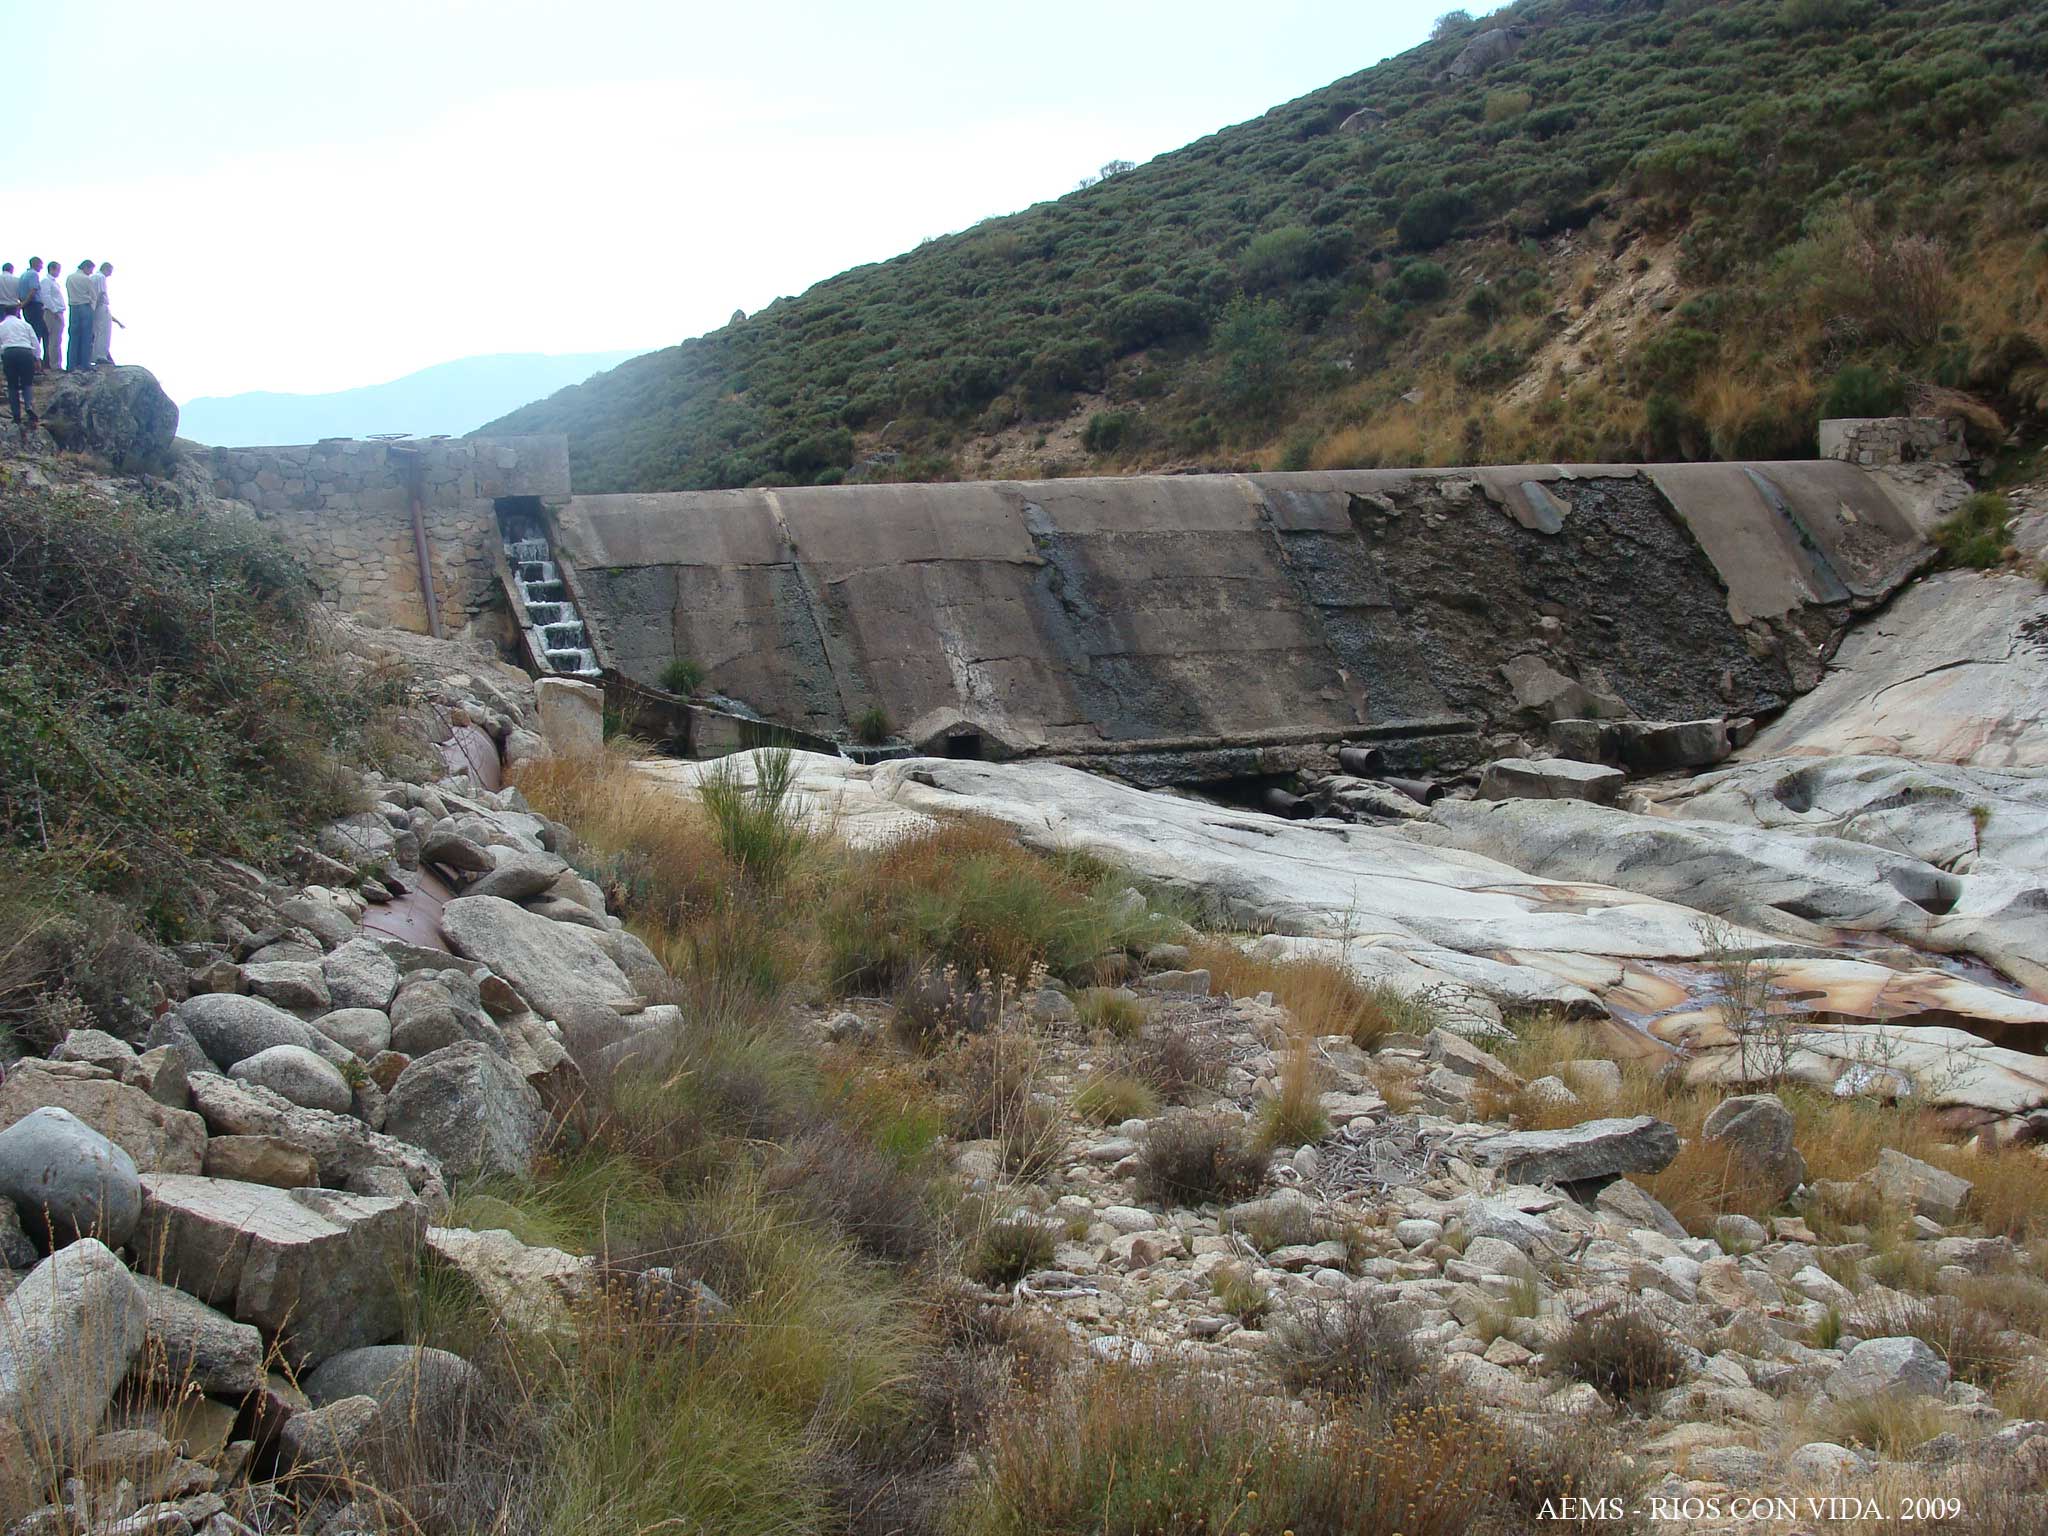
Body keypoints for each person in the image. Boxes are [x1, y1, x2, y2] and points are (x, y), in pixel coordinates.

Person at [0, 304, 42, 429]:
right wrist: (37, 358)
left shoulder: (1, 326)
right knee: (27, 383)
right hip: (25, 352)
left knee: (12, 385)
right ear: (17, 312)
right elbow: (34, 341)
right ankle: (28, 406)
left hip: (9, 353)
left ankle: (16, 416)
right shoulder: (25, 325)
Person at [64, 261, 95, 370]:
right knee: (86, 336)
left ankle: (71, 364)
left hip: (73, 306)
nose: (91, 272)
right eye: (91, 269)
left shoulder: (70, 277)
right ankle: (84, 364)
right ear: (86, 267)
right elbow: (93, 295)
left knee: (73, 336)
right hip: (85, 306)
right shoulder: (87, 279)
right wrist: (93, 308)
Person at [92, 261, 119, 367]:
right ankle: (101, 355)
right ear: (106, 269)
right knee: (104, 332)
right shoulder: (100, 277)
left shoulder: (93, 277)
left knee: (97, 332)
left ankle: (96, 355)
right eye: (110, 271)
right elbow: (101, 293)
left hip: (96, 306)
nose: (110, 274)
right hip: (101, 305)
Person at [17, 259, 44, 363]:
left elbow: (20, 292)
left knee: (30, 330)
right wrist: (25, 302)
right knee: (37, 332)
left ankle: (31, 358)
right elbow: (33, 290)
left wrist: (22, 304)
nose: (41, 267)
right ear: (36, 264)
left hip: (26, 306)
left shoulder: (23, 275)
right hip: (34, 305)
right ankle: (35, 358)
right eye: (41, 265)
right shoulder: (34, 275)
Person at [38, 262, 63, 372]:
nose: (59, 272)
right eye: (58, 269)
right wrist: (55, 311)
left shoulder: (53, 282)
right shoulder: (46, 281)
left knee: (57, 339)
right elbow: (46, 297)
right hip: (52, 312)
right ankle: (54, 365)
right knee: (53, 339)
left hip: (57, 311)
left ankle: (56, 363)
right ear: (52, 269)